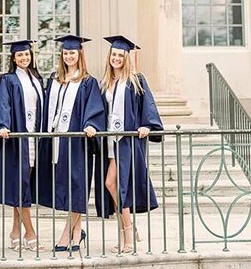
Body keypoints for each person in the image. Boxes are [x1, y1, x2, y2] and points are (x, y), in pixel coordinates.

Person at [95, 36, 163, 254]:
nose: (116, 58)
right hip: (110, 140)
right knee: (111, 184)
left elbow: (148, 105)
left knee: (113, 183)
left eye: (120, 55)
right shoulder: (105, 82)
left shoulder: (136, 80)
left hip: (127, 140)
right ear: (109, 57)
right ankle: (129, 230)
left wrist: (147, 126)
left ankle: (128, 236)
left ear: (126, 58)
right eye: (113, 55)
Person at [38, 35, 105, 252]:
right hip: (57, 141)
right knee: (69, 186)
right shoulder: (54, 79)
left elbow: (94, 109)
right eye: (66, 53)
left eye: (72, 53)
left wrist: (91, 124)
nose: (68, 56)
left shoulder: (87, 82)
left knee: (76, 185)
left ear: (79, 55)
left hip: (77, 142)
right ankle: (78, 232)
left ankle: (68, 233)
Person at [0, 39, 45, 252]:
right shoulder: (8, 80)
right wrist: (2, 125)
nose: (24, 58)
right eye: (20, 55)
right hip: (17, 139)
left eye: (27, 55)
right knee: (20, 185)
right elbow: (2, 104)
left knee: (23, 185)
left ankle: (15, 230)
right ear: (13, 58)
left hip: (34, 138)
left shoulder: (37, 79)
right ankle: (30, 232)